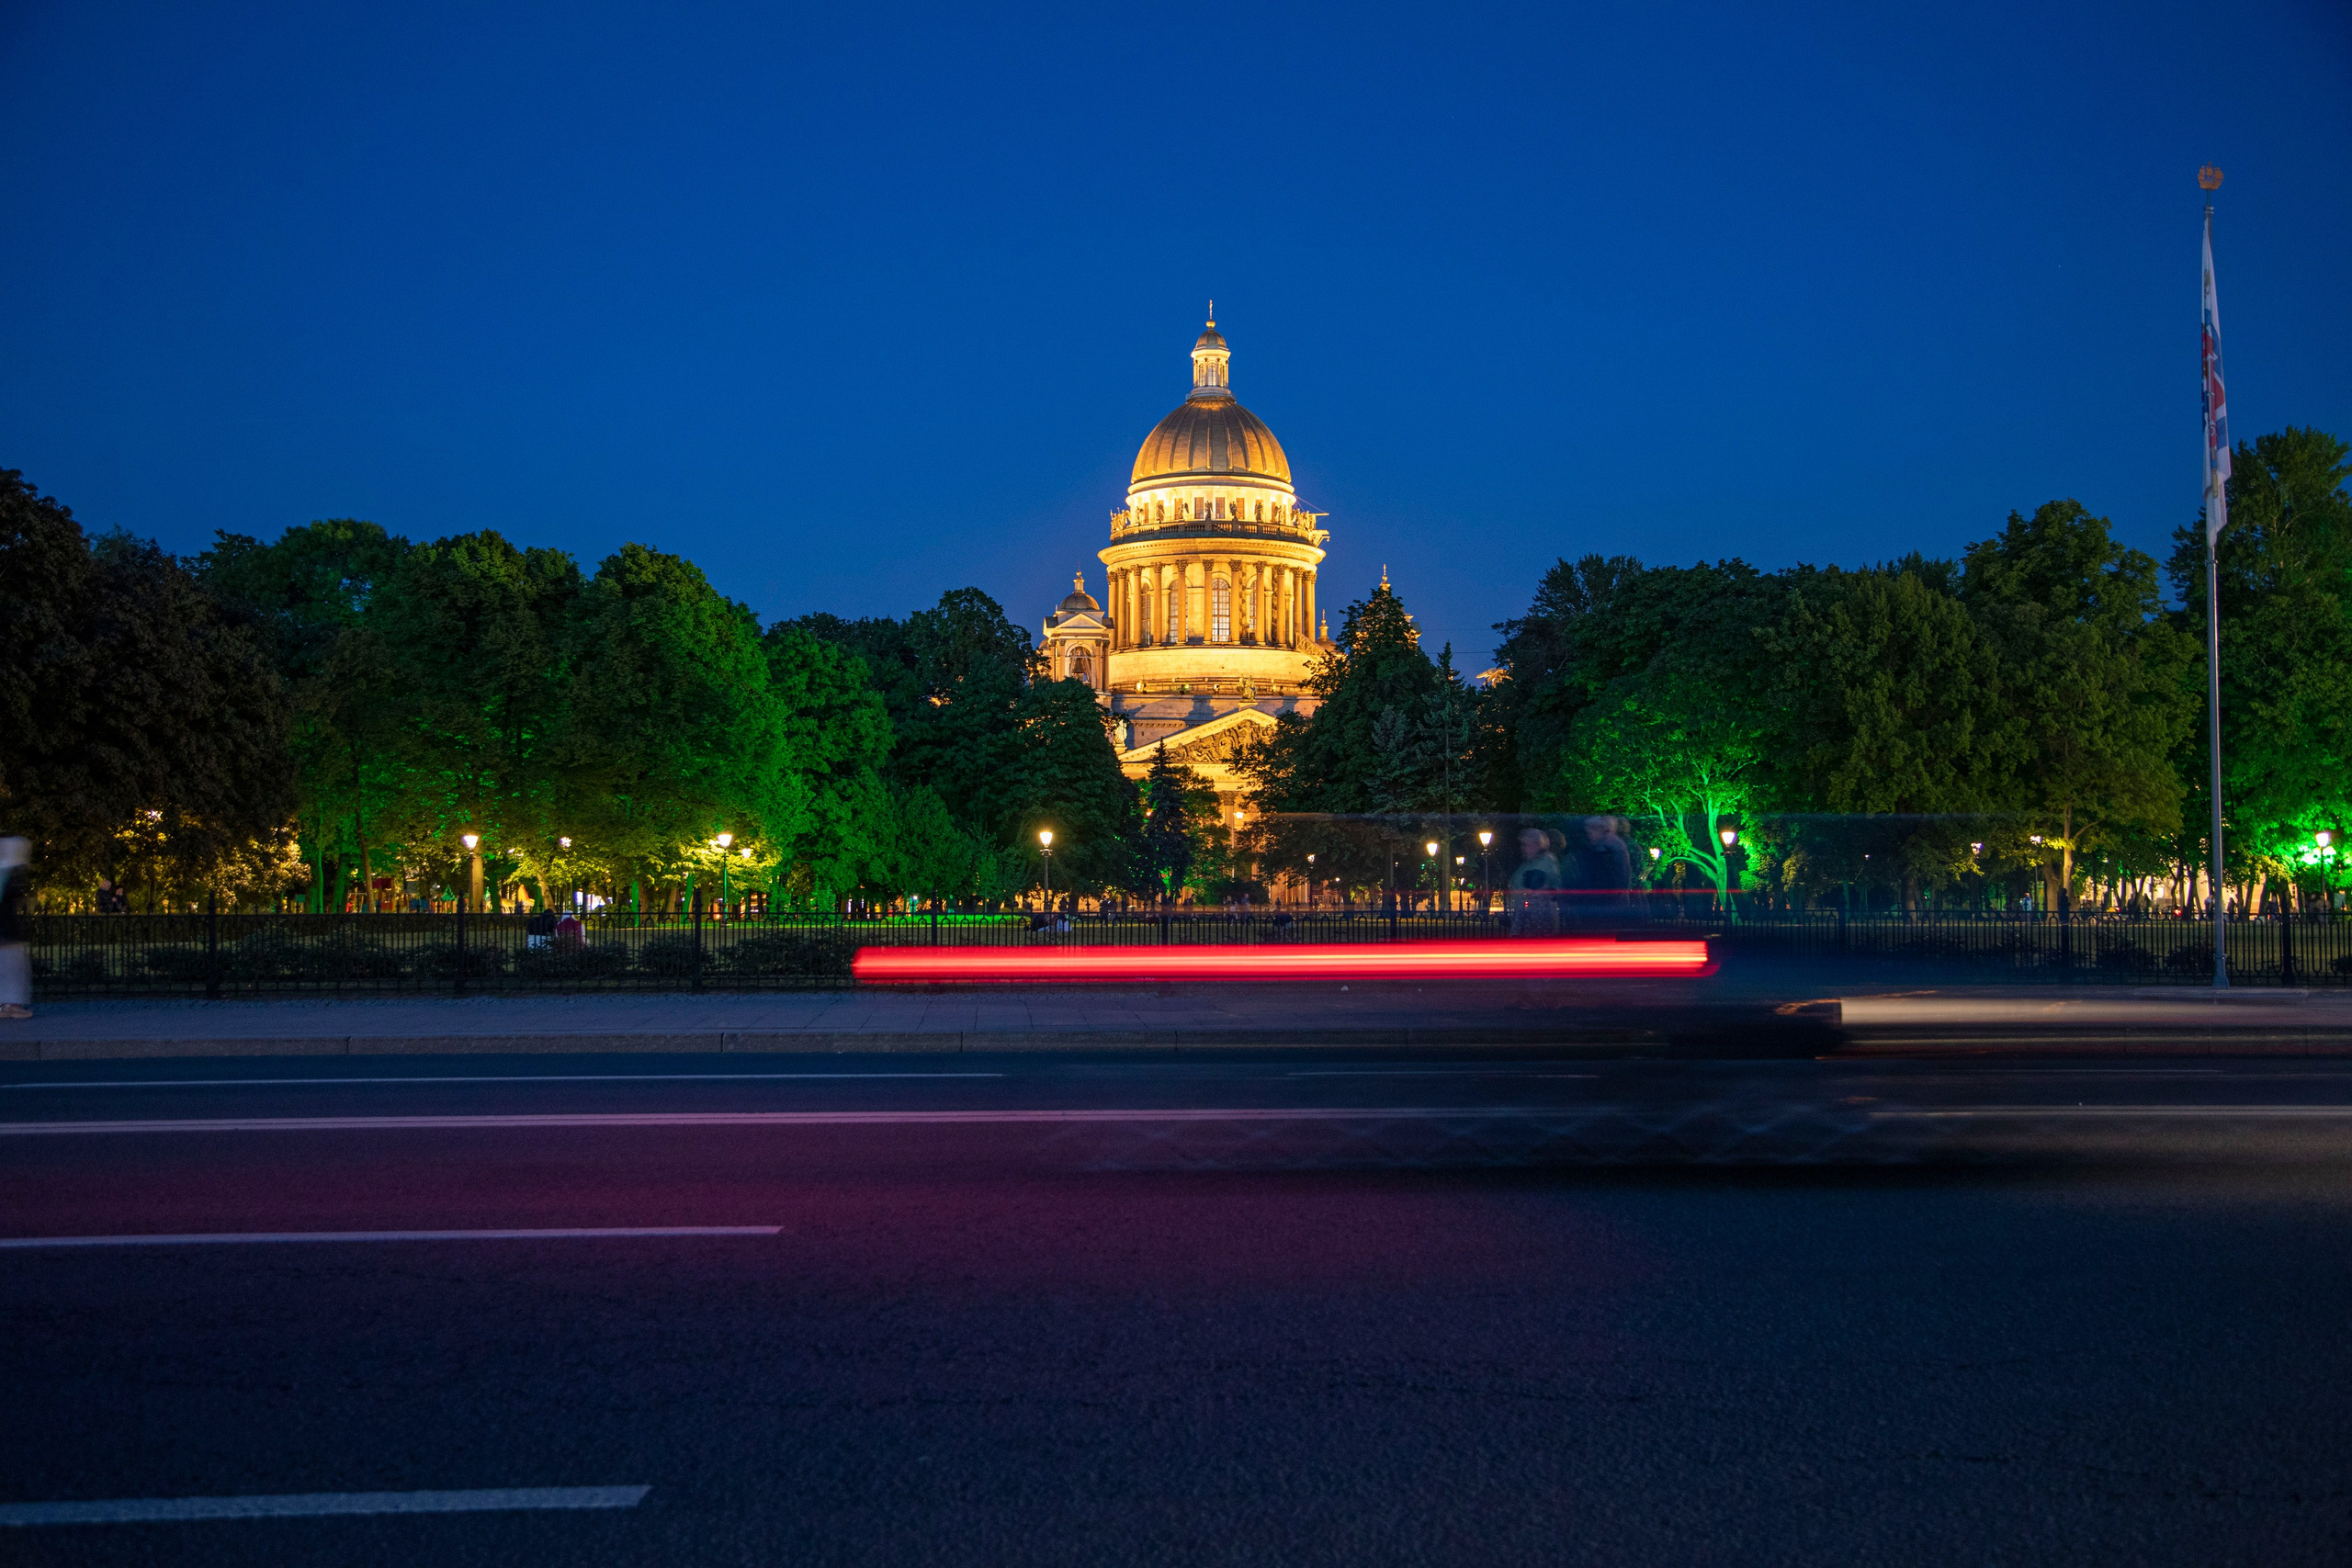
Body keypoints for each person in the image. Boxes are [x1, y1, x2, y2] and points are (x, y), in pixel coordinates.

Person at [1507, 827, 1561, 937]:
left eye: (1528, 844)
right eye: (1523, 844)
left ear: (1537, 845)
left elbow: (1549, 893)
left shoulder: (1545, 862)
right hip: (1526, 919)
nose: (1524, 848)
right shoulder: (1527, 864)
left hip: (1539, 921)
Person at [0, 838, 31, 1021]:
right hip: (6, 932)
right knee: (12, 968)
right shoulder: (7, 874)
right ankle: (10, 1005)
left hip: (7, 931)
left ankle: (9, 1004)